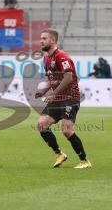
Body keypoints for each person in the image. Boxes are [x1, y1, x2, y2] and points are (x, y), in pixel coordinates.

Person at [35, 28, 91, 169]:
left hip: (70, 97)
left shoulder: (62, 56)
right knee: (41, 124)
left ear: (53, 40)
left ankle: (85, 161)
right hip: (57, 98)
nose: (41, 41)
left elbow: (69, 77)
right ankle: (59, 154)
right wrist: (43, 91)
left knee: (66, 130)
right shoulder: (46, 58)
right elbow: (51, 80)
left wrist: (53, 94)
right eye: (41, 38)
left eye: (44, 38)